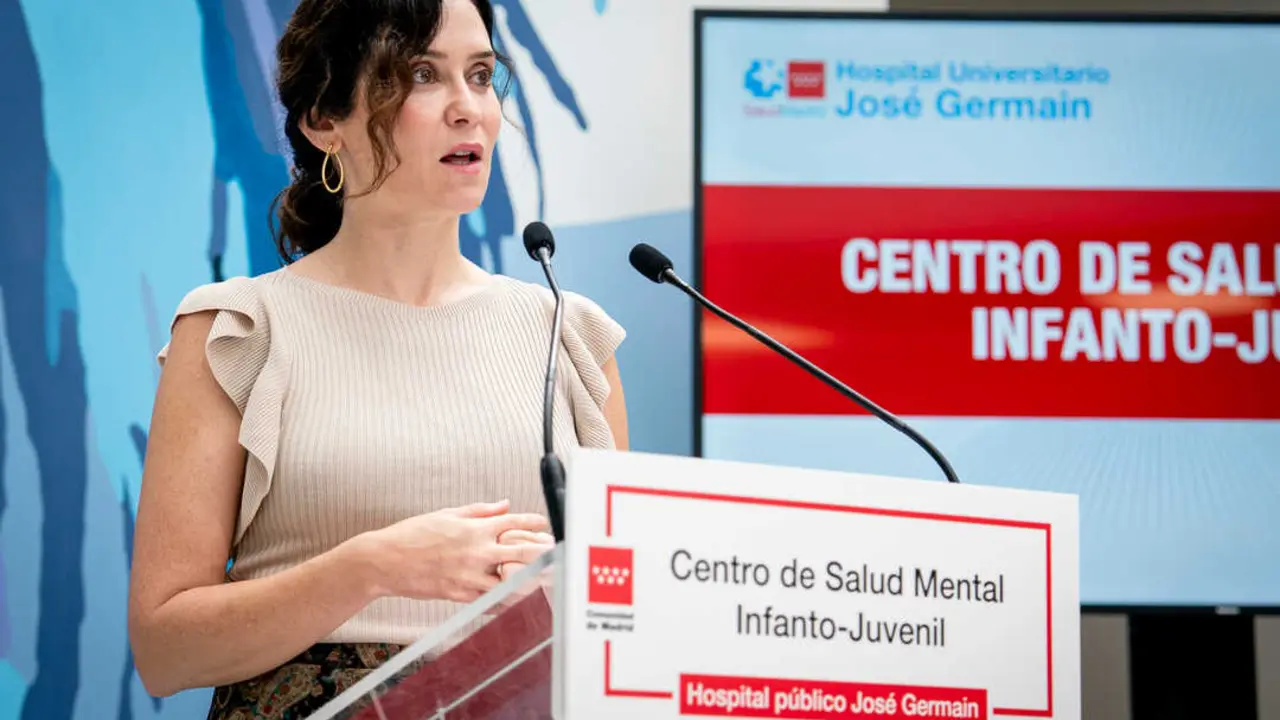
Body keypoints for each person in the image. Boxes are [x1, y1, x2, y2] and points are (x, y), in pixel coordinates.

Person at [126, 0, 629, 716]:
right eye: (423, 74)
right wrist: (372, 567)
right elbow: (163, 650)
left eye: (482, 75)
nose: (470, 110)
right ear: (324, 119)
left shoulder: (570, 338)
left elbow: (623, 624)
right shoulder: (239, 331)